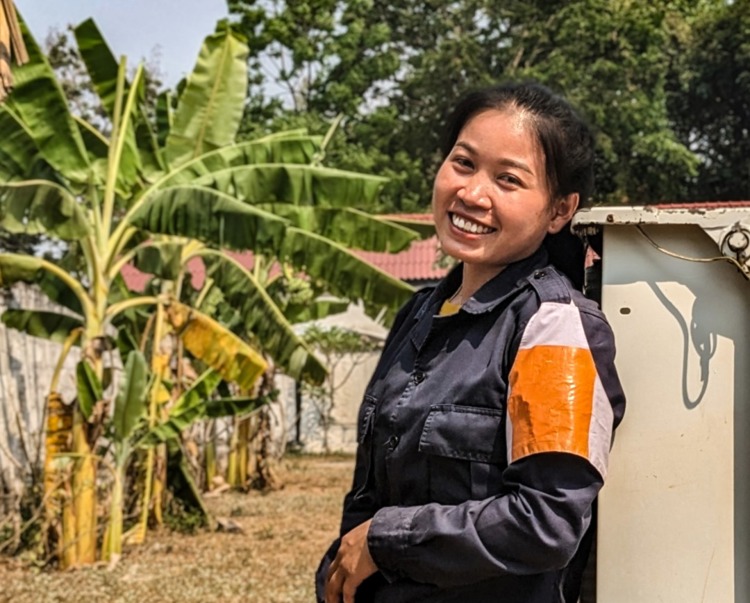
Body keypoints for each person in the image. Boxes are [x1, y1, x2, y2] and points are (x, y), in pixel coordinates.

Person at [316, 81, 626, 603]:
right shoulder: (419, 314)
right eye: (463, 163)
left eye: (508, 179)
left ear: (559, 210)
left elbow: (545, 522)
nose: (473, 193)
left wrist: (385, 540)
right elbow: (370, 494)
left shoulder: (554, 327)